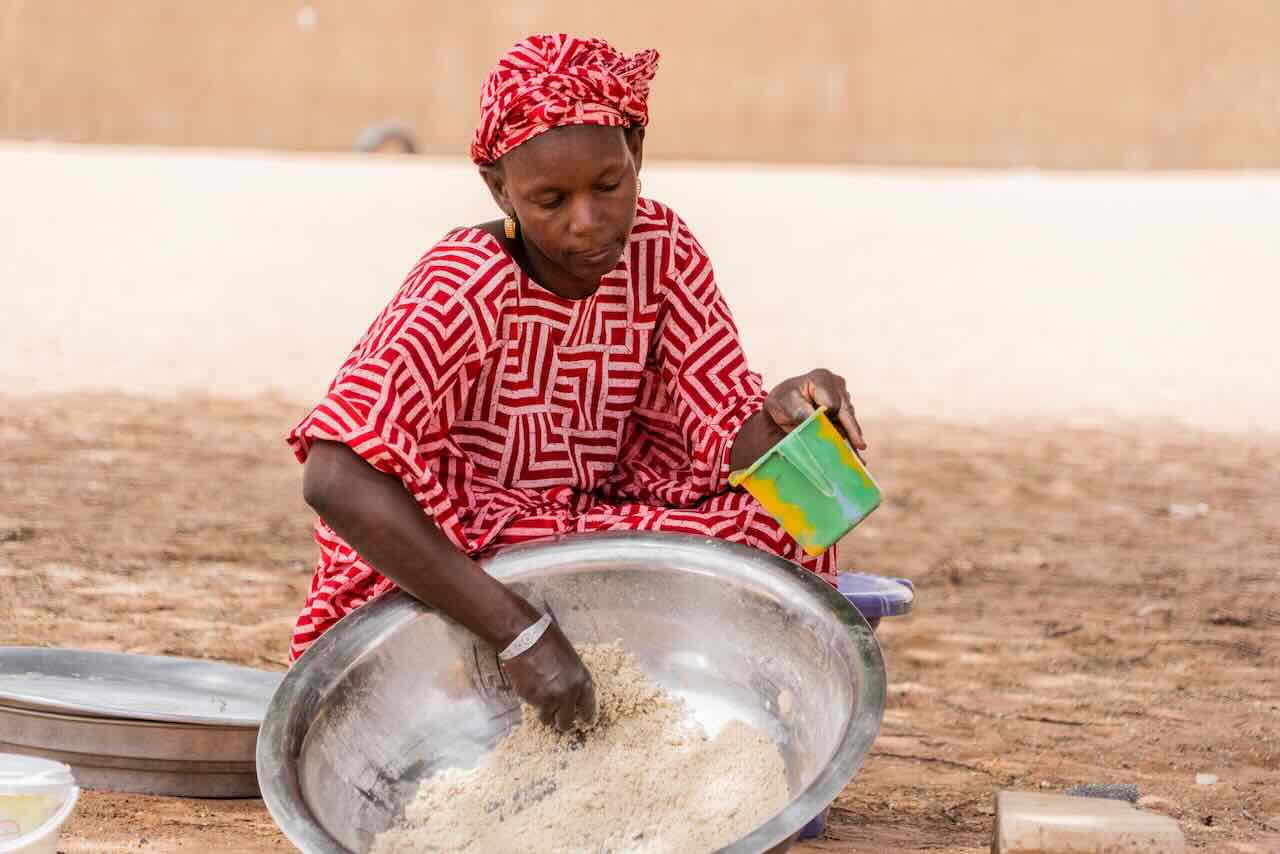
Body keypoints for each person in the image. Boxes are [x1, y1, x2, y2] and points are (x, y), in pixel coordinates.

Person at [288, 33, 867, 732]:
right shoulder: (462, 282)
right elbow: (334, 475)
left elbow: (725, 436)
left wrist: (788, 414)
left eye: (608, 186)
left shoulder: (661, 251)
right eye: (550, 199)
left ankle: (720, 714)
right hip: (465, 544)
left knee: (789, 520)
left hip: (584, 521)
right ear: (500, 188)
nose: (587, 223)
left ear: (638, 152)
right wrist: (519, 631)